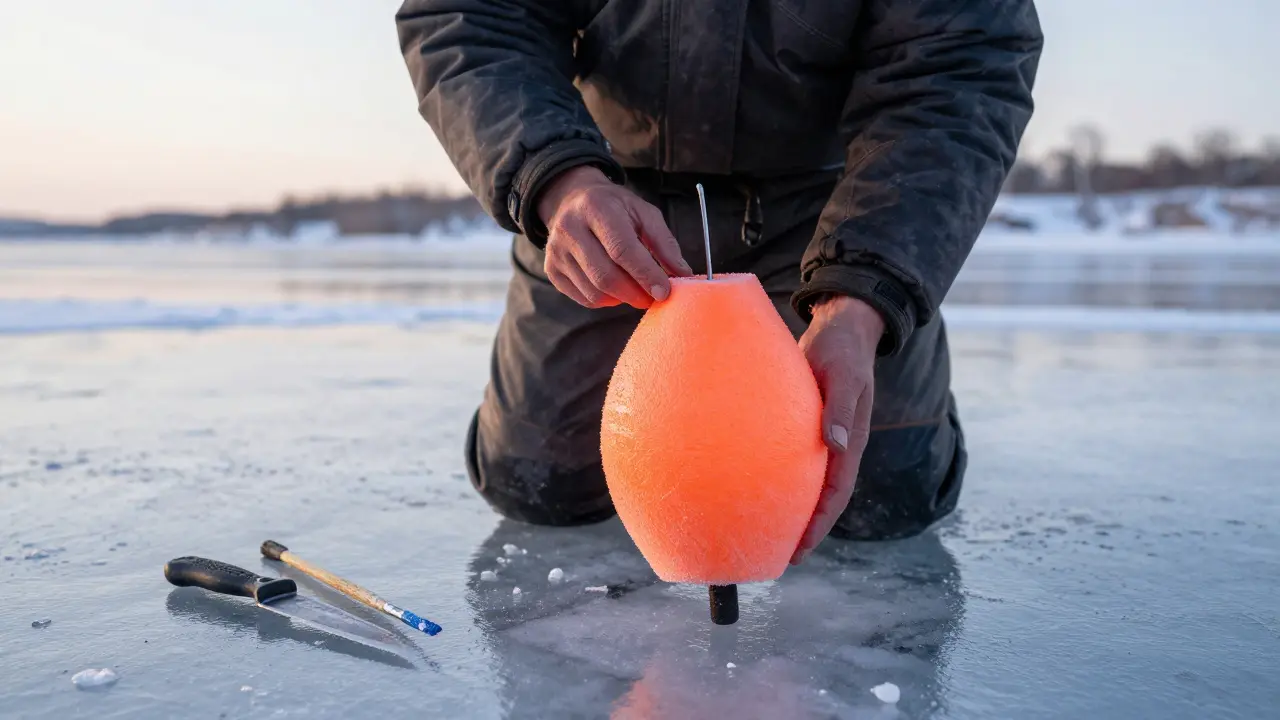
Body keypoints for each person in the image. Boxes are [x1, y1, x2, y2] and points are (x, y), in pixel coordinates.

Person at [395, 1, 1043, 562]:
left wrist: (865, 294)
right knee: (535, 482)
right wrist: (558, 179)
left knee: (888, 492)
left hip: (838, 209)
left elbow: (964, 59)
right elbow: (469, 16)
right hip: (612, 202)